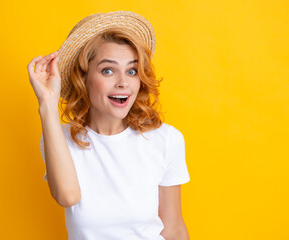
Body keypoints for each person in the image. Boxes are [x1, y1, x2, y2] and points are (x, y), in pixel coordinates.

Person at [27, 10, 191, 240]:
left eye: (131, 71)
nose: (123, 82)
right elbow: (67, 196)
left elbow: (173, 228)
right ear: (83, 78)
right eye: (108, 70)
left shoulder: (165, 139)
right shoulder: (58, 139)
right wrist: (47, 103)